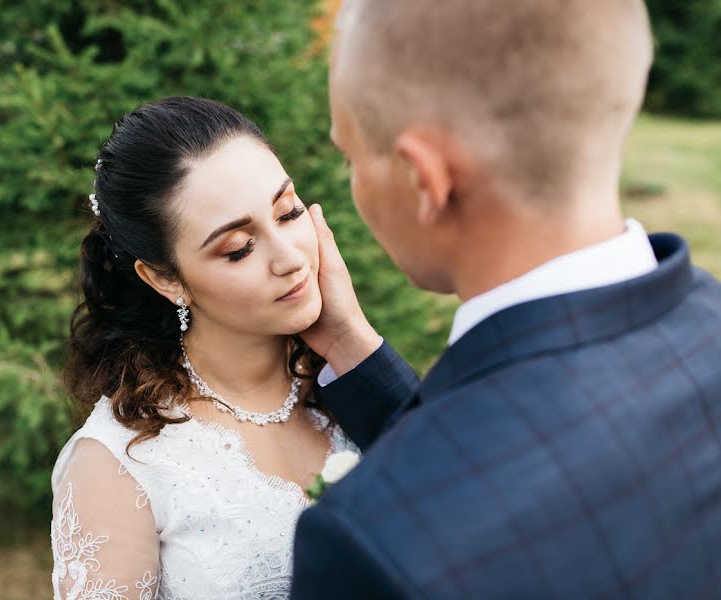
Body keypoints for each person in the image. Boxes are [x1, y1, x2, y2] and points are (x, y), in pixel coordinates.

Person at [290, 1, 721, 598]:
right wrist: (348, 345)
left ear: (425, 181)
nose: (351, 180)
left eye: (351, 157)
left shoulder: (372, 545)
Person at [50, 97, 359, 599]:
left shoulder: (350, 382)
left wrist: (353, 343)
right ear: (166, 278)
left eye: (288, 212)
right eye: (238, 248)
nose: (288, 259)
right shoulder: (121, 464)